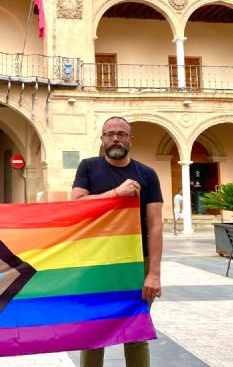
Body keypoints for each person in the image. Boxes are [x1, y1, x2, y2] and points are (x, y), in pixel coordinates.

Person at [71, 116, 163, 367]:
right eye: (110, 133)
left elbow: (155, 225)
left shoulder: (147, 174)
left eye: (121, 134)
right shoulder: (88, 167)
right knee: (93, 332)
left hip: (136, 263)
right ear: (102, 139)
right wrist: (115, 194)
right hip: (96, 263)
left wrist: (153, 273)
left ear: (131, 139)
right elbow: (77, 206)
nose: (115, 138)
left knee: (135, 331)